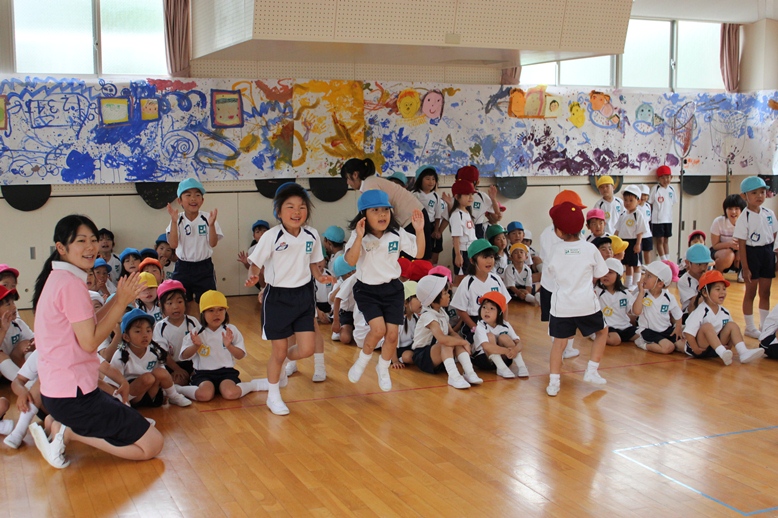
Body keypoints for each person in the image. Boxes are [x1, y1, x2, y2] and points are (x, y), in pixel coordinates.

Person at [29, 214, 162, 469]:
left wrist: (118, 298)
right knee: (153, 445)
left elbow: (87, 325)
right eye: (81, 241)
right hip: (74, 396)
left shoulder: (60, 278)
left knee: (141, 427)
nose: (90, 247)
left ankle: (61, 425)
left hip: (63, 392)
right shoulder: (71, 285)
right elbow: (90, 343)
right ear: (61, 248)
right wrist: (121, 302)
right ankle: (68, 431)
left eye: (92, 239)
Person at [246, 183, 333, 415]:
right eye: (290, 207)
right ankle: (273, 395)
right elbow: (255, 264)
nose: (297, 212)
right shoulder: (271, 236)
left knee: (306, 348)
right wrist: (252, 276)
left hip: (304, 295)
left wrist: (320, 277)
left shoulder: (312, 235)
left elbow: (313, 263)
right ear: (279, 211)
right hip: (277, 298)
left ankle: (281, 364)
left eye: (302, 207)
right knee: (278, 351)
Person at [344, 189, 425, 392]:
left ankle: (383, 368)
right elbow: (351, 261)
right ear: (364, 215)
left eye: (385, 210)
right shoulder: (358, 235)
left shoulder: (396, 233)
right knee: (378, 330)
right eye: (375, 210)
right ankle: (362, 361)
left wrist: (419, 230)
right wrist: (359, 237)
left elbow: (419, 253)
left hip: (392, 289)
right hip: (367, 290)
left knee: (392, 335)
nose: (382, 214)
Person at [543, 201, 610, 396]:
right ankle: (592, 370)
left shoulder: (555, 250)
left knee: (559, 344)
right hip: (586, 305)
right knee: (602, 332)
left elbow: (549, 277)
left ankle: (554, 383)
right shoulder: (590, 248)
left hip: (562, 306)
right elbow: (601, 273)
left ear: (558, 231)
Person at [176, 291, 264, 403]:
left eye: (220, 309)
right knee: (204, 395)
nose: (216, 314)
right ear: (203, 313)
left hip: (226, 372)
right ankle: (178, 389)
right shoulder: (196, 332)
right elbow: (184, 356)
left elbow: (240, 355)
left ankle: (254, 385)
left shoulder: (231, 330)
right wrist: (196, 345)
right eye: (211, 310)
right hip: (203, 373)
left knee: (231, 393)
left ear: (226, 311)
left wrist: (229, 346)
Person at [539, 190, 588, 359]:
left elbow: (545, 257)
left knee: (557, 318)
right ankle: (565, 348)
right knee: (568, 317)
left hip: (550, 284)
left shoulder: (546, 233)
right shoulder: (576, 237)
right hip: (566, 285)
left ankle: (561, 348)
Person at [109, 309, 191, 408]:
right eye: (138, 331)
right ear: (126, 337)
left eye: (148, 330)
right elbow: (112, 382)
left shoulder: (154, 351)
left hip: (151, 393)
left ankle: (174, 396)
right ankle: (124, 404)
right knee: (147, 378)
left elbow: (163, 375)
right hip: (131, 395)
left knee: (160, 372)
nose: (145, 335)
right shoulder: (120, 355)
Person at [166, 178, 223, 316]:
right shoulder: (177, 219)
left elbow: (213, 243)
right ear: (180, 201)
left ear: (202, 200)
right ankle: (187, 326)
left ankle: (204, 327)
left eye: (197, 195)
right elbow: (173, 244)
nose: (193, 198)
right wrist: (173, 222)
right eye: (188, 195)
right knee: (181, 301)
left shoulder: (207, 218)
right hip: (183, 267)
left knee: (208, 302)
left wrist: (211, 225)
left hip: (204, 267)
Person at [410, 275, 480, 388]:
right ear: (434, 298)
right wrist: (464, 342)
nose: (449, 295)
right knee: (447, 343)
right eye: (445, 293)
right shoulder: (428, 316)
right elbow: (442, 339)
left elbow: (451, 332)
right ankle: (453, 377)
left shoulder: (441, 312)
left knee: (455, 339)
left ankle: (469, 372)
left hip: (439, 354)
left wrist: (460, 341)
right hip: (423, 357)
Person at [684, 270, 764, 364]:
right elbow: (688, 333)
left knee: (732, 325)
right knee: (707, 326)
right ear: (705, 293)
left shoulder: (725, 312)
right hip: (701, 348)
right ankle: (722, 352)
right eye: (718, 289)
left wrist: (729, 345)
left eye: (724, 289)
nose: (722, 292)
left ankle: (743, 352)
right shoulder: (700, 311)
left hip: (716, 349)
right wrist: (695, 349)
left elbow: (732, 333)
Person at [734, 176, 777, 338]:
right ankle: (750, 327)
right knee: (750, 292)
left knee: (765, 292)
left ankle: (765, 325)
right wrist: (745, 268)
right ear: (744, 196)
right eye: (754, 193)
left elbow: (773, 234)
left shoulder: (769, 213)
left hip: (767, 252)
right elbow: (742, 244)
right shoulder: (744, 217)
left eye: (762, 192)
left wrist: (773, 255)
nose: (759, 196)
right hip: (752, 254)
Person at [340, 157, 426, 235]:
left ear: (355, 175)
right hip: (413, 217)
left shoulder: (369, 185)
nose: (347, 183)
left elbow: (384, 213)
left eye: (347, 178)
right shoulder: (370, 182)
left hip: (412, 219)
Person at [450, 239, 511, 345]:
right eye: (484, 257)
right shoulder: (467, 282)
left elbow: (504, 303)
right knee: (488, 344)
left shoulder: (496, 279)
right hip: (475, 321)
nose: (489, 261)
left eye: (491, 257)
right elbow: (460, 310)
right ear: (472, 260)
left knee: (507, 342)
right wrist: (475, 327)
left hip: (495, 321)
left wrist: (503, 323)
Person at [472, 291, 528, 378]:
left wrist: (515, 350)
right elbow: (486, 347)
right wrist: (506, 351)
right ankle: (501, 368)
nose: (487, 311)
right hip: (484, 359)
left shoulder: (505, 325)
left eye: (492, 308)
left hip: (506, 359)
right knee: (490, 336)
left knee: (504, 337)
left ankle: (522, 366)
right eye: (484, 307)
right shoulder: (481, 326)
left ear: (500, 312)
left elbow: (519, 343)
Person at [632, 261, 684, 355]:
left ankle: (662, 342)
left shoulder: (669, 297)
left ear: (660, 283)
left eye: (649, 276)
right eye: (645, 274)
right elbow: (636, 312)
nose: (644, 278)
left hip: (666, 330)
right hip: (648, 331)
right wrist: (641, 293)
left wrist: (678, 328)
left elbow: (678, 314)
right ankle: (642, 344)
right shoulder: (642, 295)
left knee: (683, 346)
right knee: (668, 348)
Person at [153, 279, 198, 386]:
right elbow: (163, 354)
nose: (175, 306)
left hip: (193, 363)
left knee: (200, 382)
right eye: (169, 303)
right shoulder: (160, 327)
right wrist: (177, 369)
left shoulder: (192, 322)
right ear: (161, 305)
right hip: (171, 365)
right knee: (177, 382)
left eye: (179, 302)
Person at [597, 258, 639, 346]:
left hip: (624, 326)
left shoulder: (625, 293)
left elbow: (633, 310)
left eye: (610, 272)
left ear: (619, 276)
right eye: (604, 272)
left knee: (642, 334)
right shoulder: (597, 291)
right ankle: (595, 335)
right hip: (607, 326)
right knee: (615, 340)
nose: (605, 275)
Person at [454, 165, 503, 238]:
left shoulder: (481, 196)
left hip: (477, 229)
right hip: (462, 228)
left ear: (477, 182)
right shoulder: (457, 196)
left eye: (470, 182)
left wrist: (493, 199)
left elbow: (497, 214)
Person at [614, 185, 646, 290]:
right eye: (626, 200)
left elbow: (640, 231)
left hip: (634, 242)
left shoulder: (638, 214)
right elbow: (617, 229)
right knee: (627, 264)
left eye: (631, 200)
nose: (627, 203)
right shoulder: (623, 214)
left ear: (638, 201)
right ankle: (628, 283)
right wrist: (614, 240)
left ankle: (636, 284)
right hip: (623, 242)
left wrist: (638, 244)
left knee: (636, 264)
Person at [412, 165, 445, 262]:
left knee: (430, 250)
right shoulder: (414, 194)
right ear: (420, 180)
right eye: (427, 179)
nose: (431, 182)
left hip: (431, 226)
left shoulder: (435, 196)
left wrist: (436, 230)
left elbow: (438, 215)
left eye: (433, 179)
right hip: (417, 226)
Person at [710, 194, 746, 278]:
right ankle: (717, 274)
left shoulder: (747, 223)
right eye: (730, 208)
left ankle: (743, 272)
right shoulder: (718, 222)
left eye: (736, 208)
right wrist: (730, 244)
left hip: (741, 250)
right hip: (721, 251)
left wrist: (739, 251)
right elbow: (715, 245)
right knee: (728, 255)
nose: (733, 212)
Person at [449, 179, 477, 284]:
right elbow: (456, 237)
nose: (471, 197)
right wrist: (458, 255)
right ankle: (455, 294)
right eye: (467, 195)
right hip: (462, 251)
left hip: (471, 251)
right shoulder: (457, 214)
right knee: (460, 278)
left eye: (471, 194)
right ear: (457, 197)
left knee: (469, 277)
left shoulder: (467, 212)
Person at [0, 285, 31, 379]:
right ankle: (21, 383)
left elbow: (33, 340)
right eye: (8, 304)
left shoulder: (17, 323)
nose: (13, 307)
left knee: (27, 344)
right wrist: (3, 330)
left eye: (13, 302)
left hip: (13, 367)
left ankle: (33, 378)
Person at [650, 165, 677, 261]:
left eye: (668, 177)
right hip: (658, 220)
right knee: (660, 240)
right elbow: (650, 203)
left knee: (666, 240)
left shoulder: (672, 189)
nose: (666, 180)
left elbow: (672, 203)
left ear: (671, 177)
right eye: (663, 177)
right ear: (658, 178)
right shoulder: (655, 189)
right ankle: (664, 260)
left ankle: (668, 259)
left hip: (668, 219)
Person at [330, 256, 356, 345]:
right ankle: (341, 329)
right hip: (346, 313)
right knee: (345, 338)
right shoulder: (340, 282)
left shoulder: (358, 278)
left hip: (360, 313)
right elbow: (332, 298)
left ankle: (354, 331)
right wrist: (344, 285)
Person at [394, 281, 421, 367]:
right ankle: (401, 359)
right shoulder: (398, 321)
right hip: (400, 350)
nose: (421, 301)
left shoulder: (416, 317)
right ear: (405, 303)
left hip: (412, 347)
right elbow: (391, 343)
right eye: (417, 298)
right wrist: (395, 361)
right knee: (408, 357)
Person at [639, 185, 654, 265]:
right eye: (642, 195)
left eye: (645, 195)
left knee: (647, 251)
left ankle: (648, 266)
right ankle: (639, 267)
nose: (643, 197)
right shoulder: (635, 206)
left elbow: (649, 219)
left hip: (647, 233)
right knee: (638, 252)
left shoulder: (648, 206)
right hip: (638, 234)